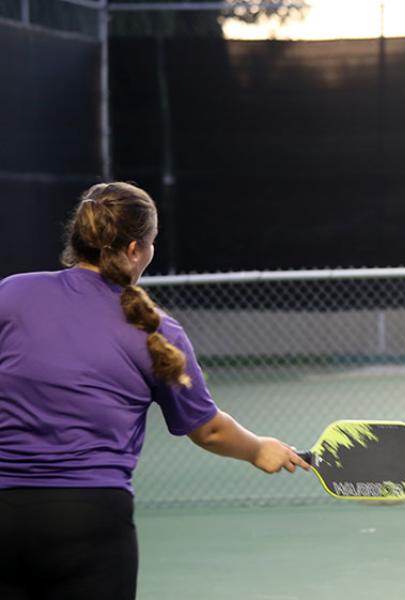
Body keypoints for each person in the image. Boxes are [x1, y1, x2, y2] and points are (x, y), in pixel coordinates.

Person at [0, 182, 309, 600]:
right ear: (133, 250)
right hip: (93, 520)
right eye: (151, 243)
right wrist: (257, 449)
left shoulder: (13, 293)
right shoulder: (158, 331)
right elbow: (209, 430)